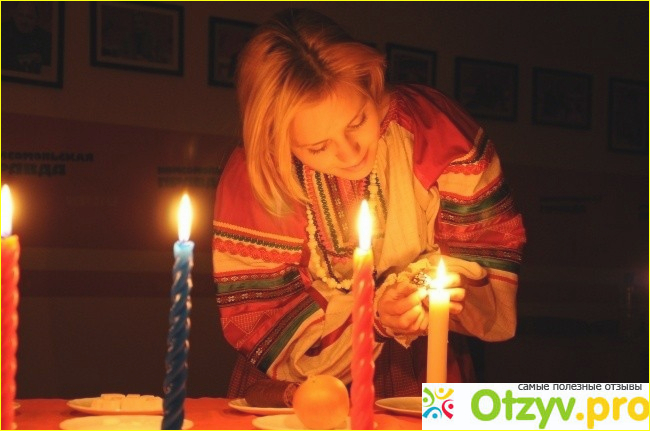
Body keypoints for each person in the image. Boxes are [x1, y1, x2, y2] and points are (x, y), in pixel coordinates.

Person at [212, 8, 526, 400]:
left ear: (369, 82)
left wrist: (420, 290)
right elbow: (264, 318)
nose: (350, 153)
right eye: (318, 147)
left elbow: (486, 251)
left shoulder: (433, 133)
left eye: (357, 121)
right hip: (303, 392)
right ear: (277, 140)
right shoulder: (257, 178)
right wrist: (373, 317)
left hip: (421, 373)